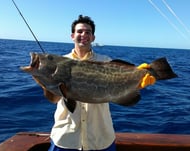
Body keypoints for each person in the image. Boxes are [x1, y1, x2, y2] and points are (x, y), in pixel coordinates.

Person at [48, 15, 156, 151]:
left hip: (101, 139)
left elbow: (120, 84)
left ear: (93, 37)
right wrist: (43, 80)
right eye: (79, 31)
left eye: (88, 32)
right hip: (65, 138)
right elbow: (53, 98)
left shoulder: (105, 61)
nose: (84, 35)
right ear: (72, 36)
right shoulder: (59, 62)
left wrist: (137, 82)